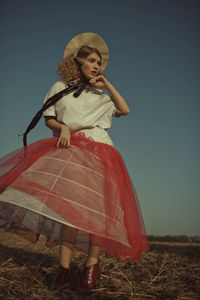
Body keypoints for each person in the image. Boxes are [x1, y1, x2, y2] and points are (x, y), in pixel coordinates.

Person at [0, 33, 149, 291]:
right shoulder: (59, 88)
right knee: (69, 213)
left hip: (102, 152)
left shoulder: (102, 97)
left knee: (98, 215)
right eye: (91, 60)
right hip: (71, 151)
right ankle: (64, 269)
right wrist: (63, 128)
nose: (96, 66)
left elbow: (124, 110)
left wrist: (107, 83)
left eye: (99, 63)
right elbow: (49, 119)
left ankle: (91, 269)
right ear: (78, 62)